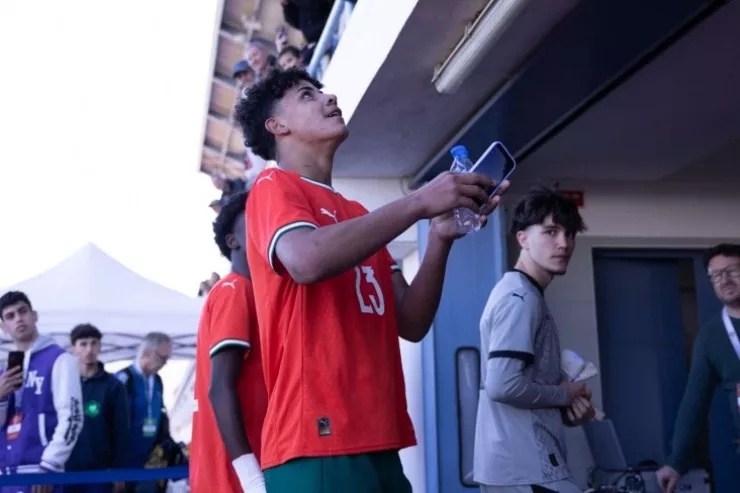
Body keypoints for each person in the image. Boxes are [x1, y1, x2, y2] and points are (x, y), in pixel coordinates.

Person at [233, 67, 506, 492]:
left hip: (378, 439)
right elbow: (305, 260)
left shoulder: (358, 214)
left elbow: (411, 322)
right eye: (307, 95)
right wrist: (418, 202)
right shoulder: (273, 184)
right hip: (315, 442)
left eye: (322, 91)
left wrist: (439, 237)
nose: (328, 98)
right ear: (277, 126)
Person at [473, 187, 593, 493]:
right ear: (522, 238)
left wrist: (567, 405)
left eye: (569, 234)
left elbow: (518, 387)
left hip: (522, 466)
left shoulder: (525, 294)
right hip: (525, 469)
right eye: (551, 232)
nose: (564, 243)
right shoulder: (520, 298)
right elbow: (502, 386)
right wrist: (563, 395)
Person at [190, 190, 268, 493]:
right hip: (236, 480)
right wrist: (251, 478)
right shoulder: (234, 290)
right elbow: (219, 388)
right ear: (233, 241)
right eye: (255, 219)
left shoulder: (249, 291)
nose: (265, 223)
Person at [655, 244, 740, 493]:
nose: (725, 280)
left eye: (733, 270)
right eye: (716, 275)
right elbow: (694, 403)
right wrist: (676, 462)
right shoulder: (710, 337)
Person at [0, 291, 83, 493]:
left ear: (34, 315)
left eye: (23, 311)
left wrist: (50, 465)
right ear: (3, 327)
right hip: (7, 474)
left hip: (41, 472)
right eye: (10, 316)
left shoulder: (60, 360)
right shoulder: (5, 371)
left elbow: (72, 416)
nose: (18, 319)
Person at [66, 324, 130, 493]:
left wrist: (119, 471)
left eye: (94, 343)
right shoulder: (63, 384)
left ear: (100, 346)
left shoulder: (113, 386)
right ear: (73, 348)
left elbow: (121, 431)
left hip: (99, 473)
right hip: (64, 471)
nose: (89, 349)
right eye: (83, 344)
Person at [115, 333, 173, 493]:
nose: (165, 363)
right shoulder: (123, 380)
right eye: (162, 358)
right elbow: (113, 425)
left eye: (167, 358)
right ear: (147, 352)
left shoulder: (158, 381)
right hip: (125, 460)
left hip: (149, 460)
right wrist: (115, 467)